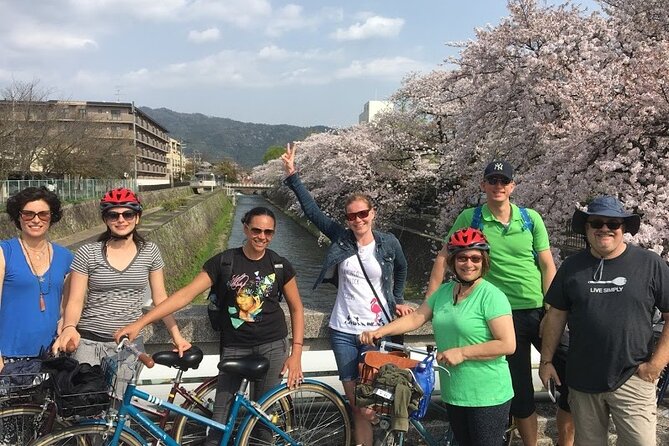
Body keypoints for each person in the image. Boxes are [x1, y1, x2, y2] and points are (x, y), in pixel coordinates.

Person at [116, 206, 305, 446]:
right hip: (235, 346)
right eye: (256, 230)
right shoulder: (225, 262)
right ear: (245, 228)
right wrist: (140, 323)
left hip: (273, 344)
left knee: (263, 419)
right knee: (219, 419)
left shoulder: (280, 265)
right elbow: (185, 295)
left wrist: (296, 352)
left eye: (269, 232)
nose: (262, 237)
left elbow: (297, 308)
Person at [427, 160, 572, 446]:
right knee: (519, 390)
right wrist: (432, 304)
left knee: (574, 372)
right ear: (483, 186)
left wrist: (550, 308)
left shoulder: (530, 218)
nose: (498, 186)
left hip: (538, 310)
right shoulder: (472, 217)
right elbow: (445, 256)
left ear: (512, 186)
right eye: (492, 181)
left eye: (503, 181)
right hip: (501, 315)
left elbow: (546, 264)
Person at [281, 143, 412, 446]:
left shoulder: (388, 244)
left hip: (379, 332)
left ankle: (388, 432)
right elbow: (312, 213)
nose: (357, 220)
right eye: (351, 216)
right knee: (358, 405)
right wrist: (293, 175)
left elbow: (402, 270)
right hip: (343, 330)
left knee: (379, 398)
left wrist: (400, 299)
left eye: (362, 214)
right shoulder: (341, 238)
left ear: (372, 214)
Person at [362, 228, 516, 446]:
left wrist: (462, 353)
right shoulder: (444, 292)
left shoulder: (492, 296)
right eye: (462, 258)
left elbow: (507, 344)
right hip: (455, 392)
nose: (468, 264)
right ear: (453, 261)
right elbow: (416, 317)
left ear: (484, 261)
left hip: (487, 394)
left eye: (475, 258)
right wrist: (380, 331)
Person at [539, 195, 669, 446]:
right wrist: (546, 361)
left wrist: (656, 365)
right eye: (597, 223)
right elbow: (555, 316)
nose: (605, 229)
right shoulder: (571, 267)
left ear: (623, 229)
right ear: (587, 228)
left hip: (633, 376)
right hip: (583, 380)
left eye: (613, 224)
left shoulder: (649, 263)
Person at [52, 187, 191, 368]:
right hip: (88, 341)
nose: (121, 220)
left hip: (128, 344)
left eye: (128, 214)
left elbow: (161, 298)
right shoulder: (88, 252)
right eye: (113, 215)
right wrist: (69, 326)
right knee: (85, 395)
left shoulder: (150, 251)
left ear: (137, 217)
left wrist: (177, 336)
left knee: (120, 397)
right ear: (105, 219)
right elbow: (76, 300)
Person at [0, 187, 73, 372]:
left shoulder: (65, 257)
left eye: (43, 214)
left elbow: (67, 307)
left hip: (50, 357)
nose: (36, 220)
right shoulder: (4, 252)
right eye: (28, 214)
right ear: (18, 217)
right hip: (8, 357)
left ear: (52, 217)